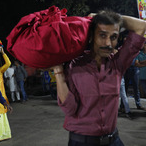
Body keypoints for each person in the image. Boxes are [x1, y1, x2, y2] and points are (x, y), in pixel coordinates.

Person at [51, 10, 146, 146]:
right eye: (102, 35)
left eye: (113, 37)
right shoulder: (74, 66)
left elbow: (141, 26)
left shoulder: (118, 63)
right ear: (91, 36)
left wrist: (109, 18)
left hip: (114, 140)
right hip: (82, 142)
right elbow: (70, 109)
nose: (108, 43)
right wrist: (58, 71)